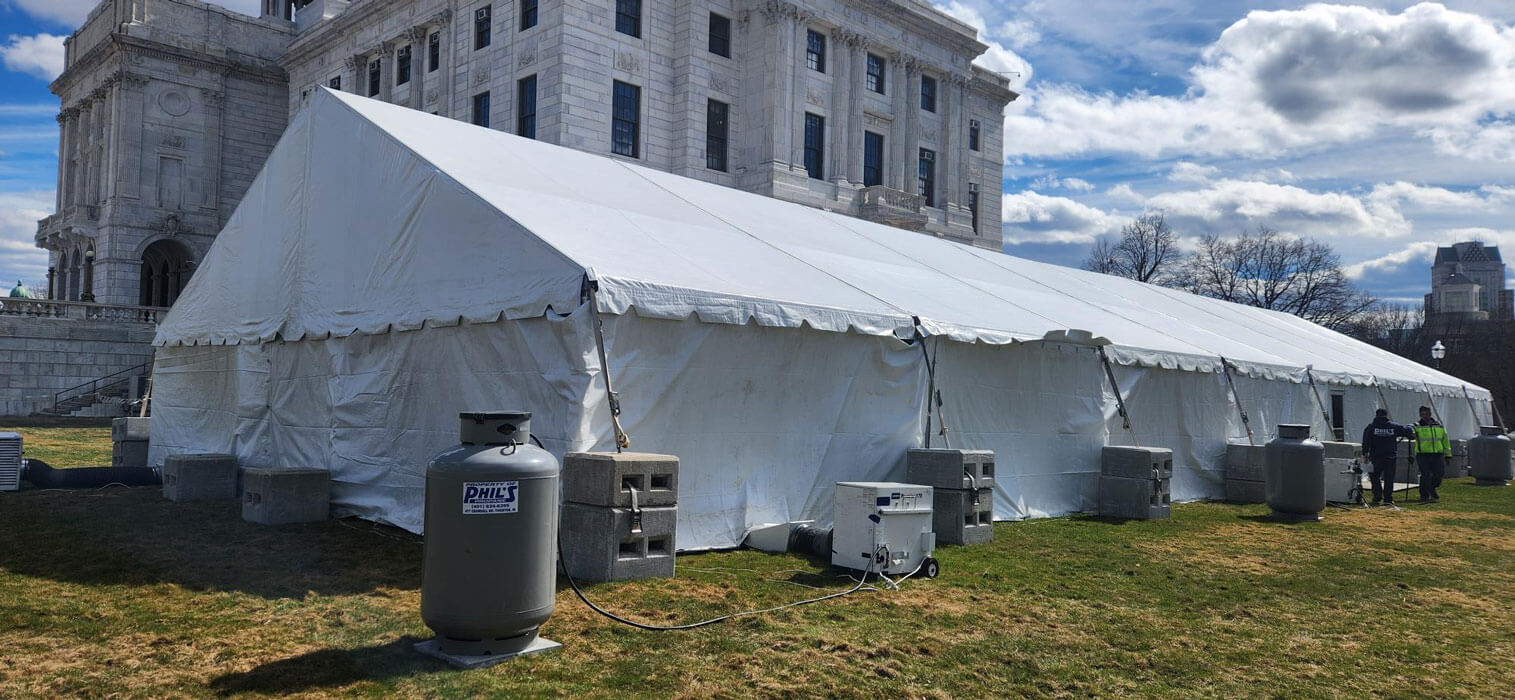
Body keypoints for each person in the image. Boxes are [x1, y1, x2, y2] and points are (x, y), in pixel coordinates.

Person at [1362, 408, 1414, 506]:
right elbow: (1407, 431)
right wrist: (1410, 428)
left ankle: (1377, 496)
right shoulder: (1393, 426)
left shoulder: (1371, 427)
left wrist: (1365, 453)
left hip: (1375, 457)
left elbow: (1366, 441)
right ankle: (1388, 498)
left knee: (1374, 477)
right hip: (1390, 457)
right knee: (1389, 478)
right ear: (1386, 415)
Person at [1413, 405, 1452, 503]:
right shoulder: (1417, 425)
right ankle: (1424, 495)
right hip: (1423, 454)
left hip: (1437, 454)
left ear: (1430, 414)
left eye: (1426, 413)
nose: (1424, 416)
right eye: (1422, 414)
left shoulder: (1438, 425)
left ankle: (1431, 487)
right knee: (1425, 475)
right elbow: (1411, 434)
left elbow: (1445, 440)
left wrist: (1448, 454)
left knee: (1439, 474)